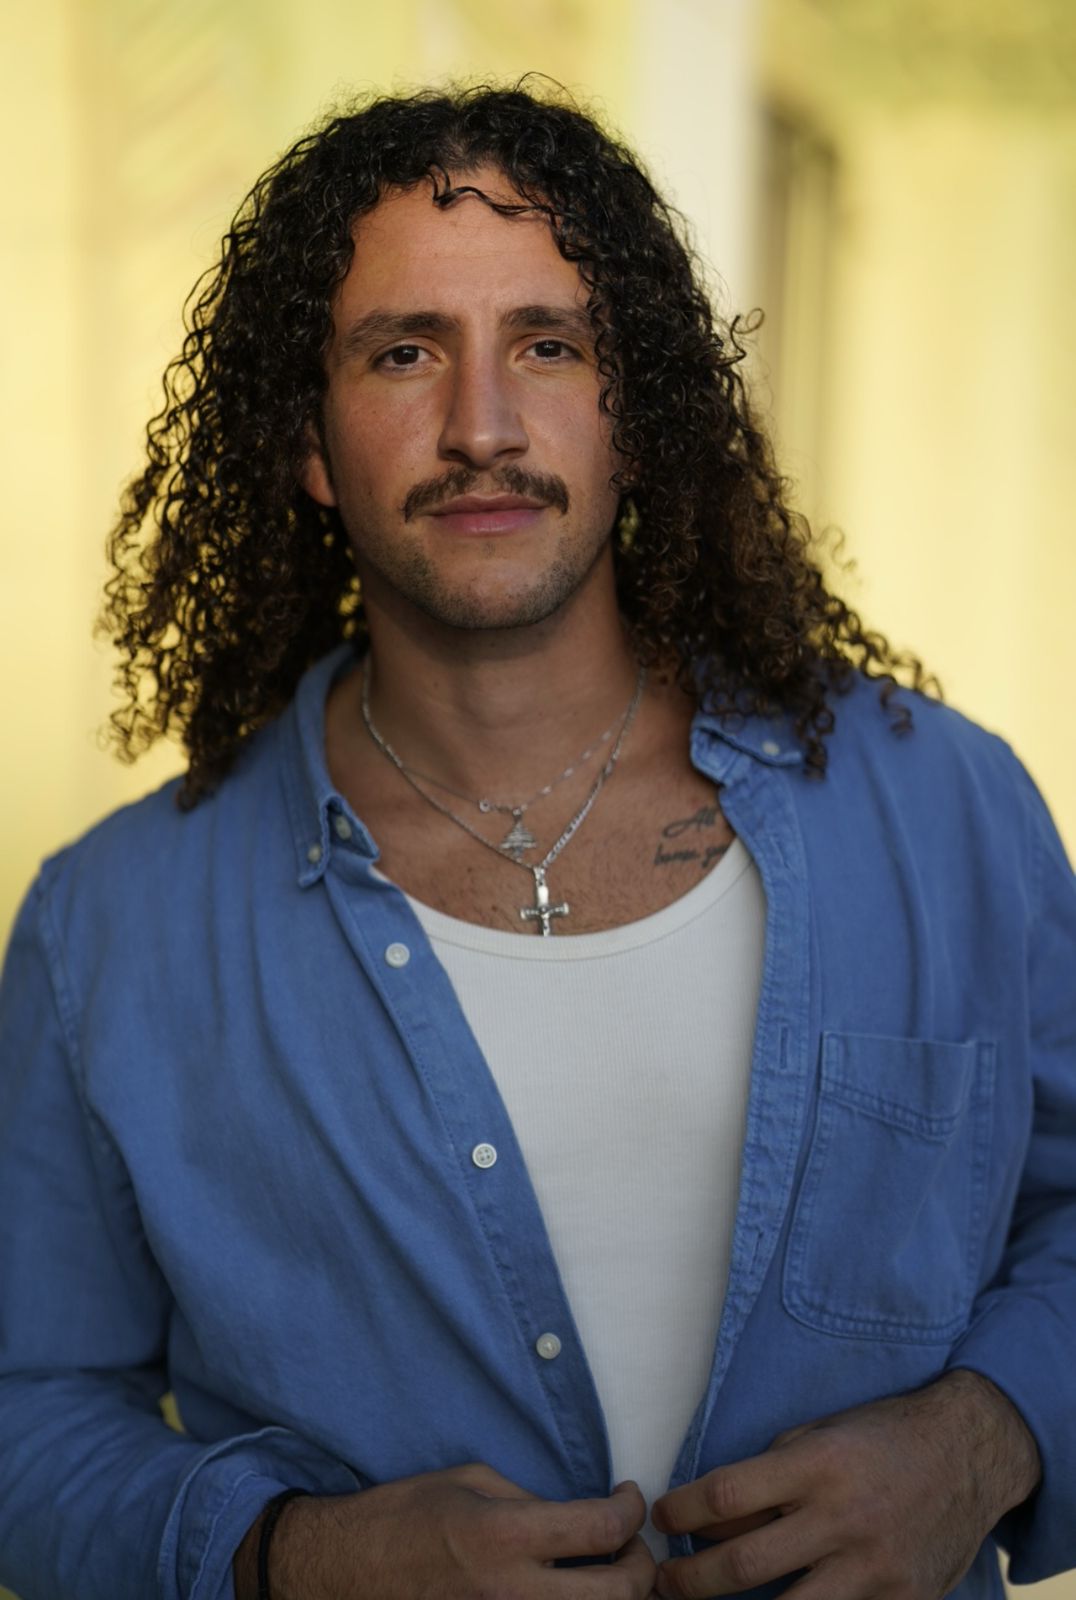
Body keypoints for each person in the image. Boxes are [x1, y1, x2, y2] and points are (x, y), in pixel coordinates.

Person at [0, 82, 1072, 1600]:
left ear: (639, 415)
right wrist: (296, 1557)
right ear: (308, 442)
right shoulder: (109, 927)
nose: (482, 427)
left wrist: (985, 1437)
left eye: (549, 345)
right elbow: (28, 1413)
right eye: (404, 352)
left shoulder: (946, 809)